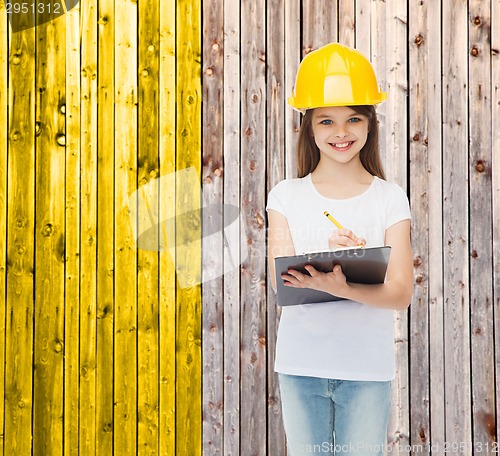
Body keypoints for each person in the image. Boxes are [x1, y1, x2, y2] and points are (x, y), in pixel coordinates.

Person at [266, 43, 413, 455]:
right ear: (309, 128)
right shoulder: (285, 196)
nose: (341, 132)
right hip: (301, 368)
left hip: (366, 369)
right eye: (326, 120)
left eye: (353, 119)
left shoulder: (390, 198)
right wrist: (331, 260)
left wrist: (345, 284)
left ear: (370, 125)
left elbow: (400, 292)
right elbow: (285, 287)